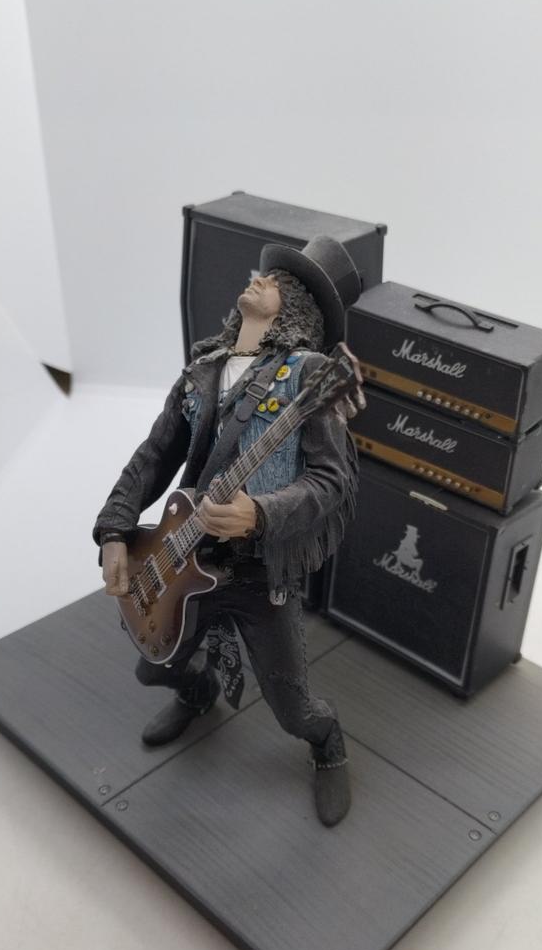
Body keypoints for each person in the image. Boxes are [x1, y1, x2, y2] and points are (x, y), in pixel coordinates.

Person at [92, 235, 366, 826]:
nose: (258, 278)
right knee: (154, 666)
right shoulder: (200, 371)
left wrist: (260, 513)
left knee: (291, 706)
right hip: (178, 556)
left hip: (258, 574)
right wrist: (115, 529)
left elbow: (332, 480)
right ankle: (199, 695)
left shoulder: (310, 376)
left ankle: (328, 743)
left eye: (277, 281)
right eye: (262, 274)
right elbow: (153, 457)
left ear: (295, 305)